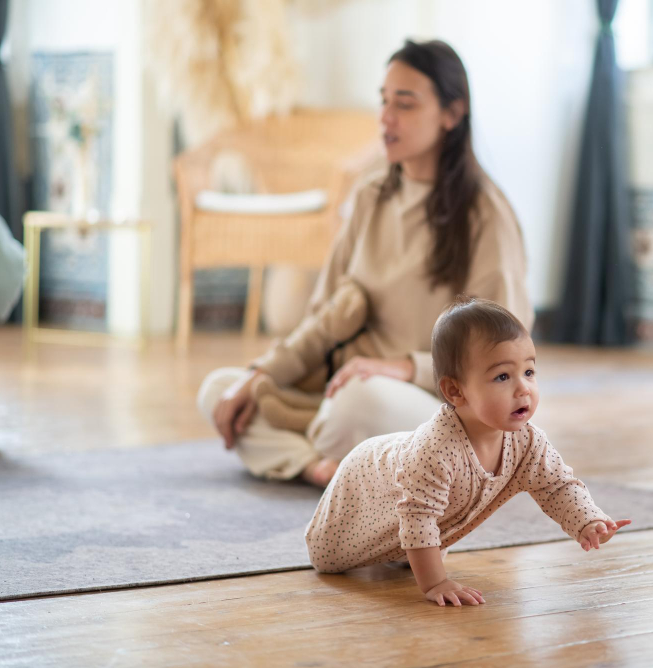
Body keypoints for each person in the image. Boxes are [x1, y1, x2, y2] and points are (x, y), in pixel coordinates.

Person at [197, 39, 533, 487]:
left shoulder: (486, 215)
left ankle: (315, 447)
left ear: (452, 115)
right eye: (384, 101)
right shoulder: (370, 196)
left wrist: (403, 367)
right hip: (342, 386)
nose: (386, 117)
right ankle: (320, 467)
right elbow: (322, 322)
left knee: (358, 402)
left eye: (406, 104)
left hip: (433, 407)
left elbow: (503, 361)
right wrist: (259, 376)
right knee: (220, 390)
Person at [305, 299, 631, 607]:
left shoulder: (528, 442)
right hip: (364, 476)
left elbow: (557, 486)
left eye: (529, 372)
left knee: (414, 546)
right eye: (503, 376)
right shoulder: (435, 452)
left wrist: (588, 520)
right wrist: (435, 584)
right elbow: (418, 517)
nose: (523, 388)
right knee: (327, 558)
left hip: (415, 522)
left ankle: (405, 554)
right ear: (455, 391)